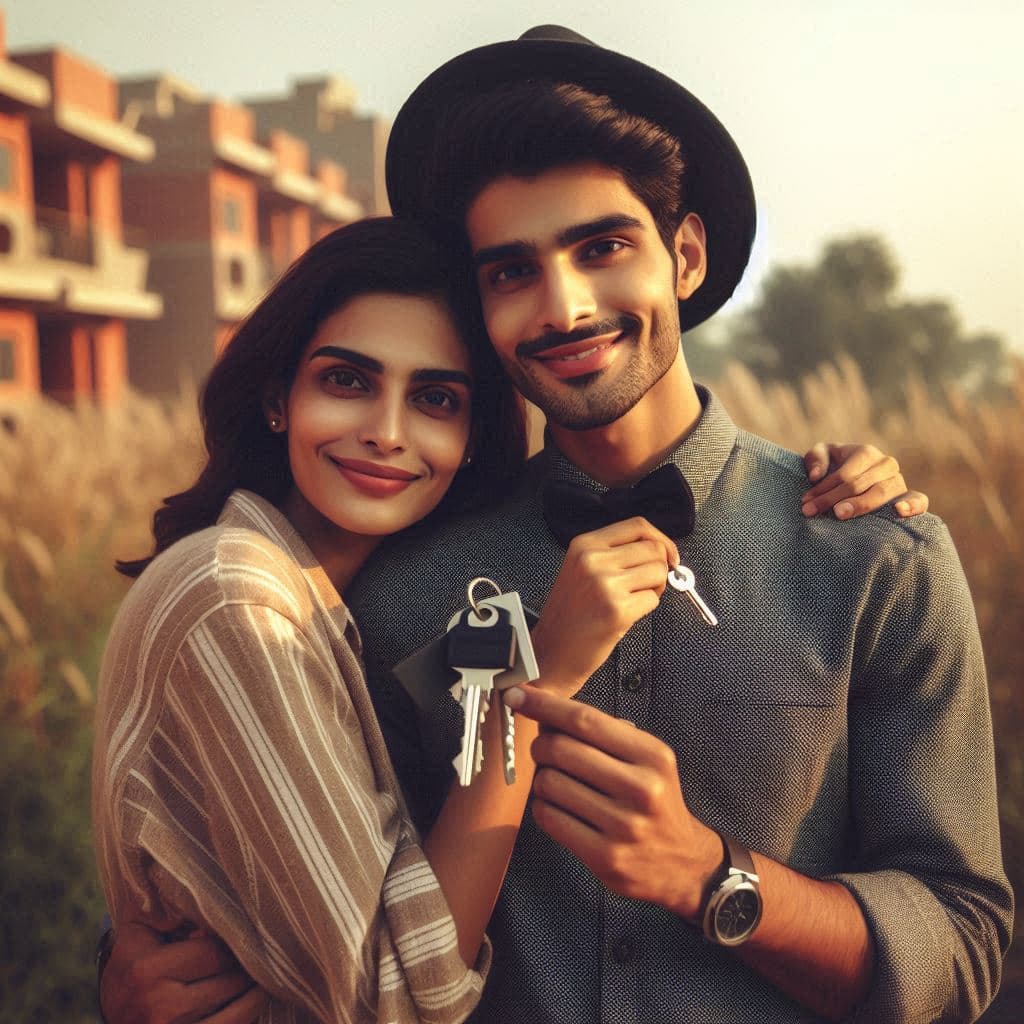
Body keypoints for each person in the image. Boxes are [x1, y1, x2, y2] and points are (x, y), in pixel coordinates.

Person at [94, 26, 978, 1024]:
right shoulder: (397, 584)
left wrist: (713, 877)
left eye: (600, 248)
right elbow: (304, 871)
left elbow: (963, 938)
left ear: (683, 255)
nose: (562, 307)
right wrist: (130, 960)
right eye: (511, 270)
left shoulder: (873, 555)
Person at [93, 215, 702, 1023]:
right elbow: (392, 999)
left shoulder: (357, 599)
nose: (385, 434)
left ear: (469, 434)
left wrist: (826, 483)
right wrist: (538, 682)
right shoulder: (237, 598)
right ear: (280, 397)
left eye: (434, 399)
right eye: (347, 381)